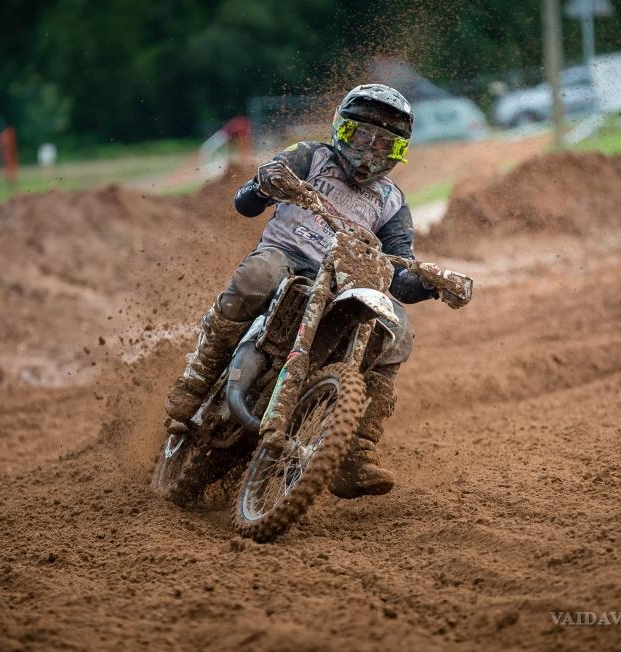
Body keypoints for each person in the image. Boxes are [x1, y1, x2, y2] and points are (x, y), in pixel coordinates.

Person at [165, 83, 438, 498]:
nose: (369, 151)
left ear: (398, 151)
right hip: (287, 257)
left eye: (384, 143)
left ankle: (358, 446)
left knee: (398, 330)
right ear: (341, 130)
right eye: (361, 136)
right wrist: (264, 185)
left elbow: (399, 271)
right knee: (259, 274)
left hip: (345, 285)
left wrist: (428, 283)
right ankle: (199, 376)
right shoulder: (311, 157)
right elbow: (246, 203)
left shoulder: (392, 202)